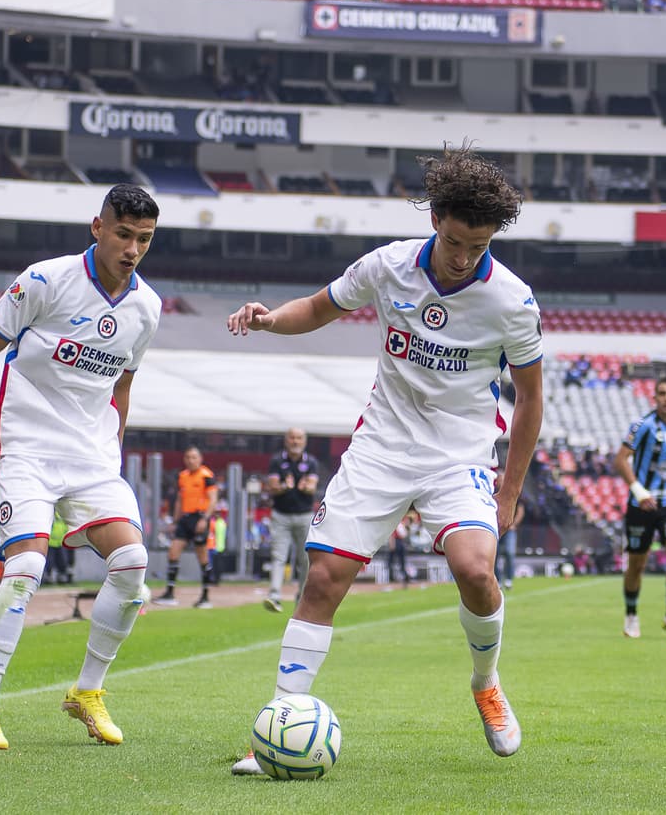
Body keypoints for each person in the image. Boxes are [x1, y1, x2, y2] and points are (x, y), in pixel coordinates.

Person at [226, 144, 543, 774]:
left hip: (460, 454)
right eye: (455, 242)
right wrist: (270, 320)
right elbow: (319, 307)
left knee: (476, 571)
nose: (464, 257)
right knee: (322, 580)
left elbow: (531, 399)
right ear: (436, 221)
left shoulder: (511, 300)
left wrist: (509, 492)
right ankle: (279, 727)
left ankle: (486, 682)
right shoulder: (388, 265)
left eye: (479, 247)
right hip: (381, 447)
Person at [0, 184, 162, 750]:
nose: (132, 249)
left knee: (133, 562)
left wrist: (114, 451)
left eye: (144, 239)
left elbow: (123, 385)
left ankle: (87, 691)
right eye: (123, 234)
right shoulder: (44, 280)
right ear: (97, 227)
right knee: (26, 568)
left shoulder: (147, 307)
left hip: (92, 457)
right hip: (27, 448)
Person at [613, 376, 666, 639]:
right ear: (655, 397)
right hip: (641, 505)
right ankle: (631, 615)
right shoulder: (642, 426)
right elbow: (621, 460)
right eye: (662, 393)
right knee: (637, 564)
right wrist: (639, 491)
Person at [263, 427, 320, 612]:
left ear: (304, 441)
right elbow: (272, 487)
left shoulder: (311, 462)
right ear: (286, 440)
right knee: (278, 556)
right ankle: (274, 596)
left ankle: (302, 597)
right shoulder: (277, 461)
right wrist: (285, 487)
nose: (295, 441)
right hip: (281, 515)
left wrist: (304, 487)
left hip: (304, 515)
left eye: (299, 438)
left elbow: (311, 487)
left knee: (305, 559)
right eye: (292, 438)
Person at [156, 446, 218, 609]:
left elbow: (213, 499)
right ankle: (170, 593)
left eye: (194, 457)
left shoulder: (206, 476)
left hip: (200, 517)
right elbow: (179, 499)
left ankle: (205, 596)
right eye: (188, 457)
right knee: (173, 552)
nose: (191, 460)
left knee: (202, 557)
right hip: (185, 519)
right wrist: (175, 520)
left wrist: (205, 519)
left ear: (200, 459)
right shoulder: (182, 476)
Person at [494, 490, 524, 590]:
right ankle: (497, 580)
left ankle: (508, 580)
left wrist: (513, 524)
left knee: (510, 553)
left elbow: (520, 511)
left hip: (510, 529)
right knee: (494, 554)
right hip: (496, 528)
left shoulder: (513, 490)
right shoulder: (493, 491)